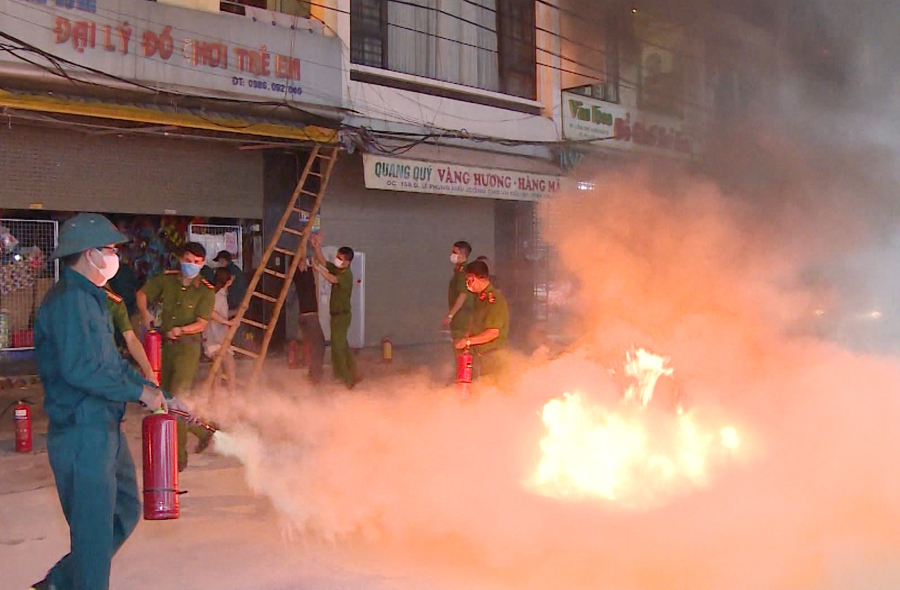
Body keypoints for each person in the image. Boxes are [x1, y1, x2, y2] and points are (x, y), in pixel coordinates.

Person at [31, 213, 166, 590]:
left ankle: (57, 584)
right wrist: (140, 392)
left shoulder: (92, 299)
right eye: (110, 250)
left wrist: (155, 391)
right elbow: (80, 370)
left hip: (104, 428)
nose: (114, 257)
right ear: (90, 254)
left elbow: (109, 364)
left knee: (124, 510)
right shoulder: (70, 301)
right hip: (82, 433)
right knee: (92, 536)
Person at [136, 242, 215, 471]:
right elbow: (142, 294)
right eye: (189, 260)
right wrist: (145, 313)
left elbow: (201, 324)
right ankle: (202, 430)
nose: (193, 265)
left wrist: (181, 330)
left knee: (178, 398)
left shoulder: (205, 290)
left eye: (198, 263)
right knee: (166, 398)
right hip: (164, 347)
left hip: (187, 348)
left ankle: (177, 458)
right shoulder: (167, 280)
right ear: (180, 259)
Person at [310, 234, 359, 388]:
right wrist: (316, 246)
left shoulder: (346, 275)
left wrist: (318, 270)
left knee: (337, 349)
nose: (337, 259)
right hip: (337, 315)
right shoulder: (339, 269)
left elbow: (332, 278)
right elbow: (324, 262)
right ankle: (354, 374)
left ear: (348, 261)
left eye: (340, 258)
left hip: (342, 316)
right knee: (343, 346)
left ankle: (345, 380)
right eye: (337, 256)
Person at [454, 260, 510, 379]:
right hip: (483, 355)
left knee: (493, 391)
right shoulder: (480, 298)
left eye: (467, 280)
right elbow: (476, 323)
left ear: (472, 278)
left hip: (494, 357)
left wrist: (468, 341)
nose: (466, 283)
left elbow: (493, 333)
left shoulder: (494, 301)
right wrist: (466, 337)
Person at [106, 286, 158, 385]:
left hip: (106, 363)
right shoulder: (72, 295)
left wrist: (149, 372)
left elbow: (131, 338)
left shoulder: (114, 302)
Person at [203, 267, 238, 392]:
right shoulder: (218, 296)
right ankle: (228, 396)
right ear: (228, 282)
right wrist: (227, 322)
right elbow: (211, 313)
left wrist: (235, 313)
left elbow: (220, 314)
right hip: (216, 339)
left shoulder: (217, 294)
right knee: (227, 369)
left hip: (217, 338)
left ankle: (218, 399)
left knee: (219, 372)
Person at [293, 253, 326, 384]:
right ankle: (315, 375)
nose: (304, 263)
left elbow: (313, 263)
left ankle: (315, 373)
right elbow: (302, 263)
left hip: (310, 314)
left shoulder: (307, 274)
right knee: (318, 344)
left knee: (316, 344)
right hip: (308, 315)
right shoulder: (299, 276)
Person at [442, 241, 474, 366]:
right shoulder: (459, 271)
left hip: (462, 317)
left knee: (462, 349)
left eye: (455, 252)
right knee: (459, 349)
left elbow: (463, 295)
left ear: (463, 255)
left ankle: (464, 379)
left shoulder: (463, 273)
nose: (452, 255)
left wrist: (450, 315)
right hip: (460, 317)